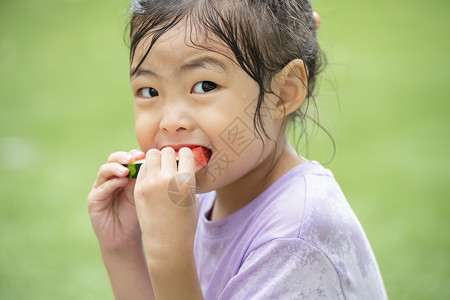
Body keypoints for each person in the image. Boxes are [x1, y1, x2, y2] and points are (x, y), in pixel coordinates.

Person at [88, 0, 388, 299]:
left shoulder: (294, 236)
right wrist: (121, 248)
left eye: (204, 85)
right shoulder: (204, 196)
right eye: (149, 91)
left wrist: (170, 256)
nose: (170, 122)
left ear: (283, 93)